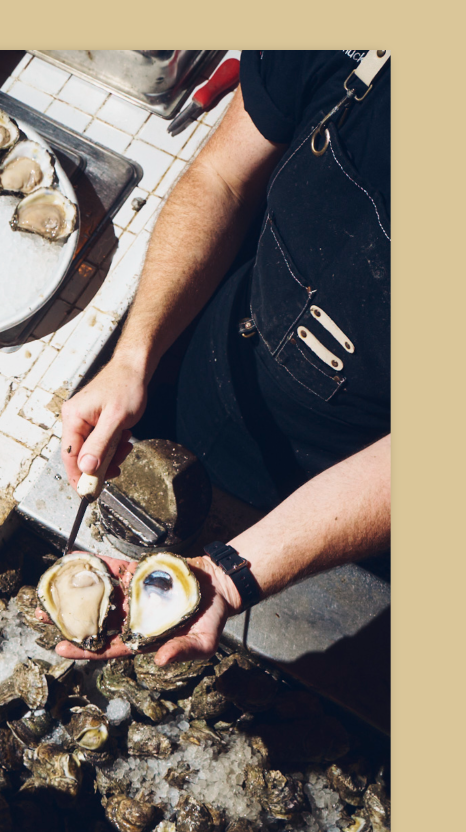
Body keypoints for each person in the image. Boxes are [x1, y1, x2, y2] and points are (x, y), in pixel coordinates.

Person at [56, 51, 390, 668]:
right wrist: (133, 357)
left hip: (354, 486)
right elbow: (223, 179)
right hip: (220, 361)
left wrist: (232, 575)